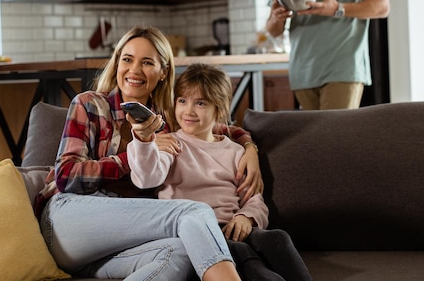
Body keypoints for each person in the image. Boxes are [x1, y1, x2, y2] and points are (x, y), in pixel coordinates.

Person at [35, 26, 263, 281]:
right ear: (117, 63)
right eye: (127, 59)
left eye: (146, 63)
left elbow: (219, 127)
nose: (134, 70)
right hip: (69, 222)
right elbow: (67, 177)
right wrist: (131, 155)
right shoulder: (89, 104)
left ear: (163, 72)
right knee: (194, 212)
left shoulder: (166, 117)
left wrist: (249, 148)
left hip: (119, 241)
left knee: (180, 253)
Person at [127, 63, 312, 281]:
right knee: (240, 252)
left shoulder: (235, 151)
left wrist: (246, 217)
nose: (189, 111)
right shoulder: (172, 144)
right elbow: (148, 176)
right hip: (197, 233)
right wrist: (145, 143)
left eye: (201, 103)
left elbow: (253, 198)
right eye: (182, 101)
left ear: (220, 108)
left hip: (234, 226)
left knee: (277, 238)